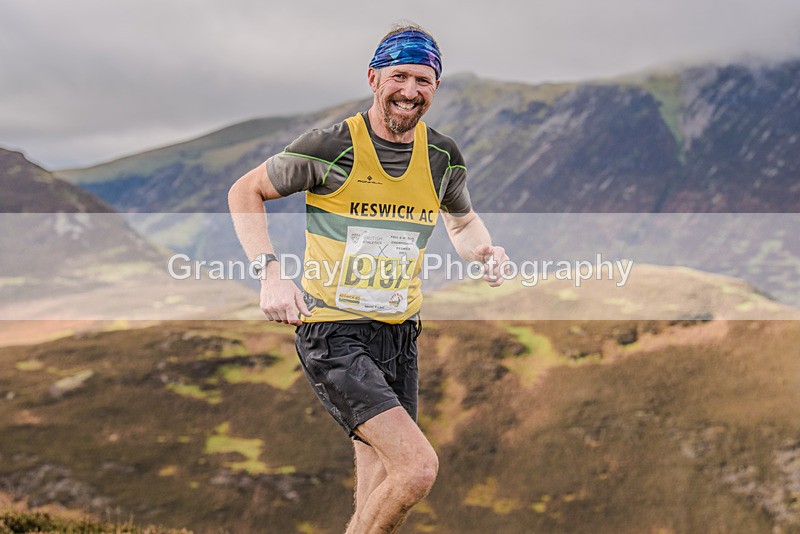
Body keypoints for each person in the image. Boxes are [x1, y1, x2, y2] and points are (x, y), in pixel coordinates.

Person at [228, 23, 508, 533]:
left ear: (436, 88)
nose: (410, 91)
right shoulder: (330, 145)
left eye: (423, 81)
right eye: (399, 76)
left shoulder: (442, 156)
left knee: (379, 488)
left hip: (400, 335)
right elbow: (244, 192)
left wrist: (482, 252)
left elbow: (463, 221)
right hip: (335, 332)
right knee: (416, 470)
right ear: (374, 78)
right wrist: (269, 273)